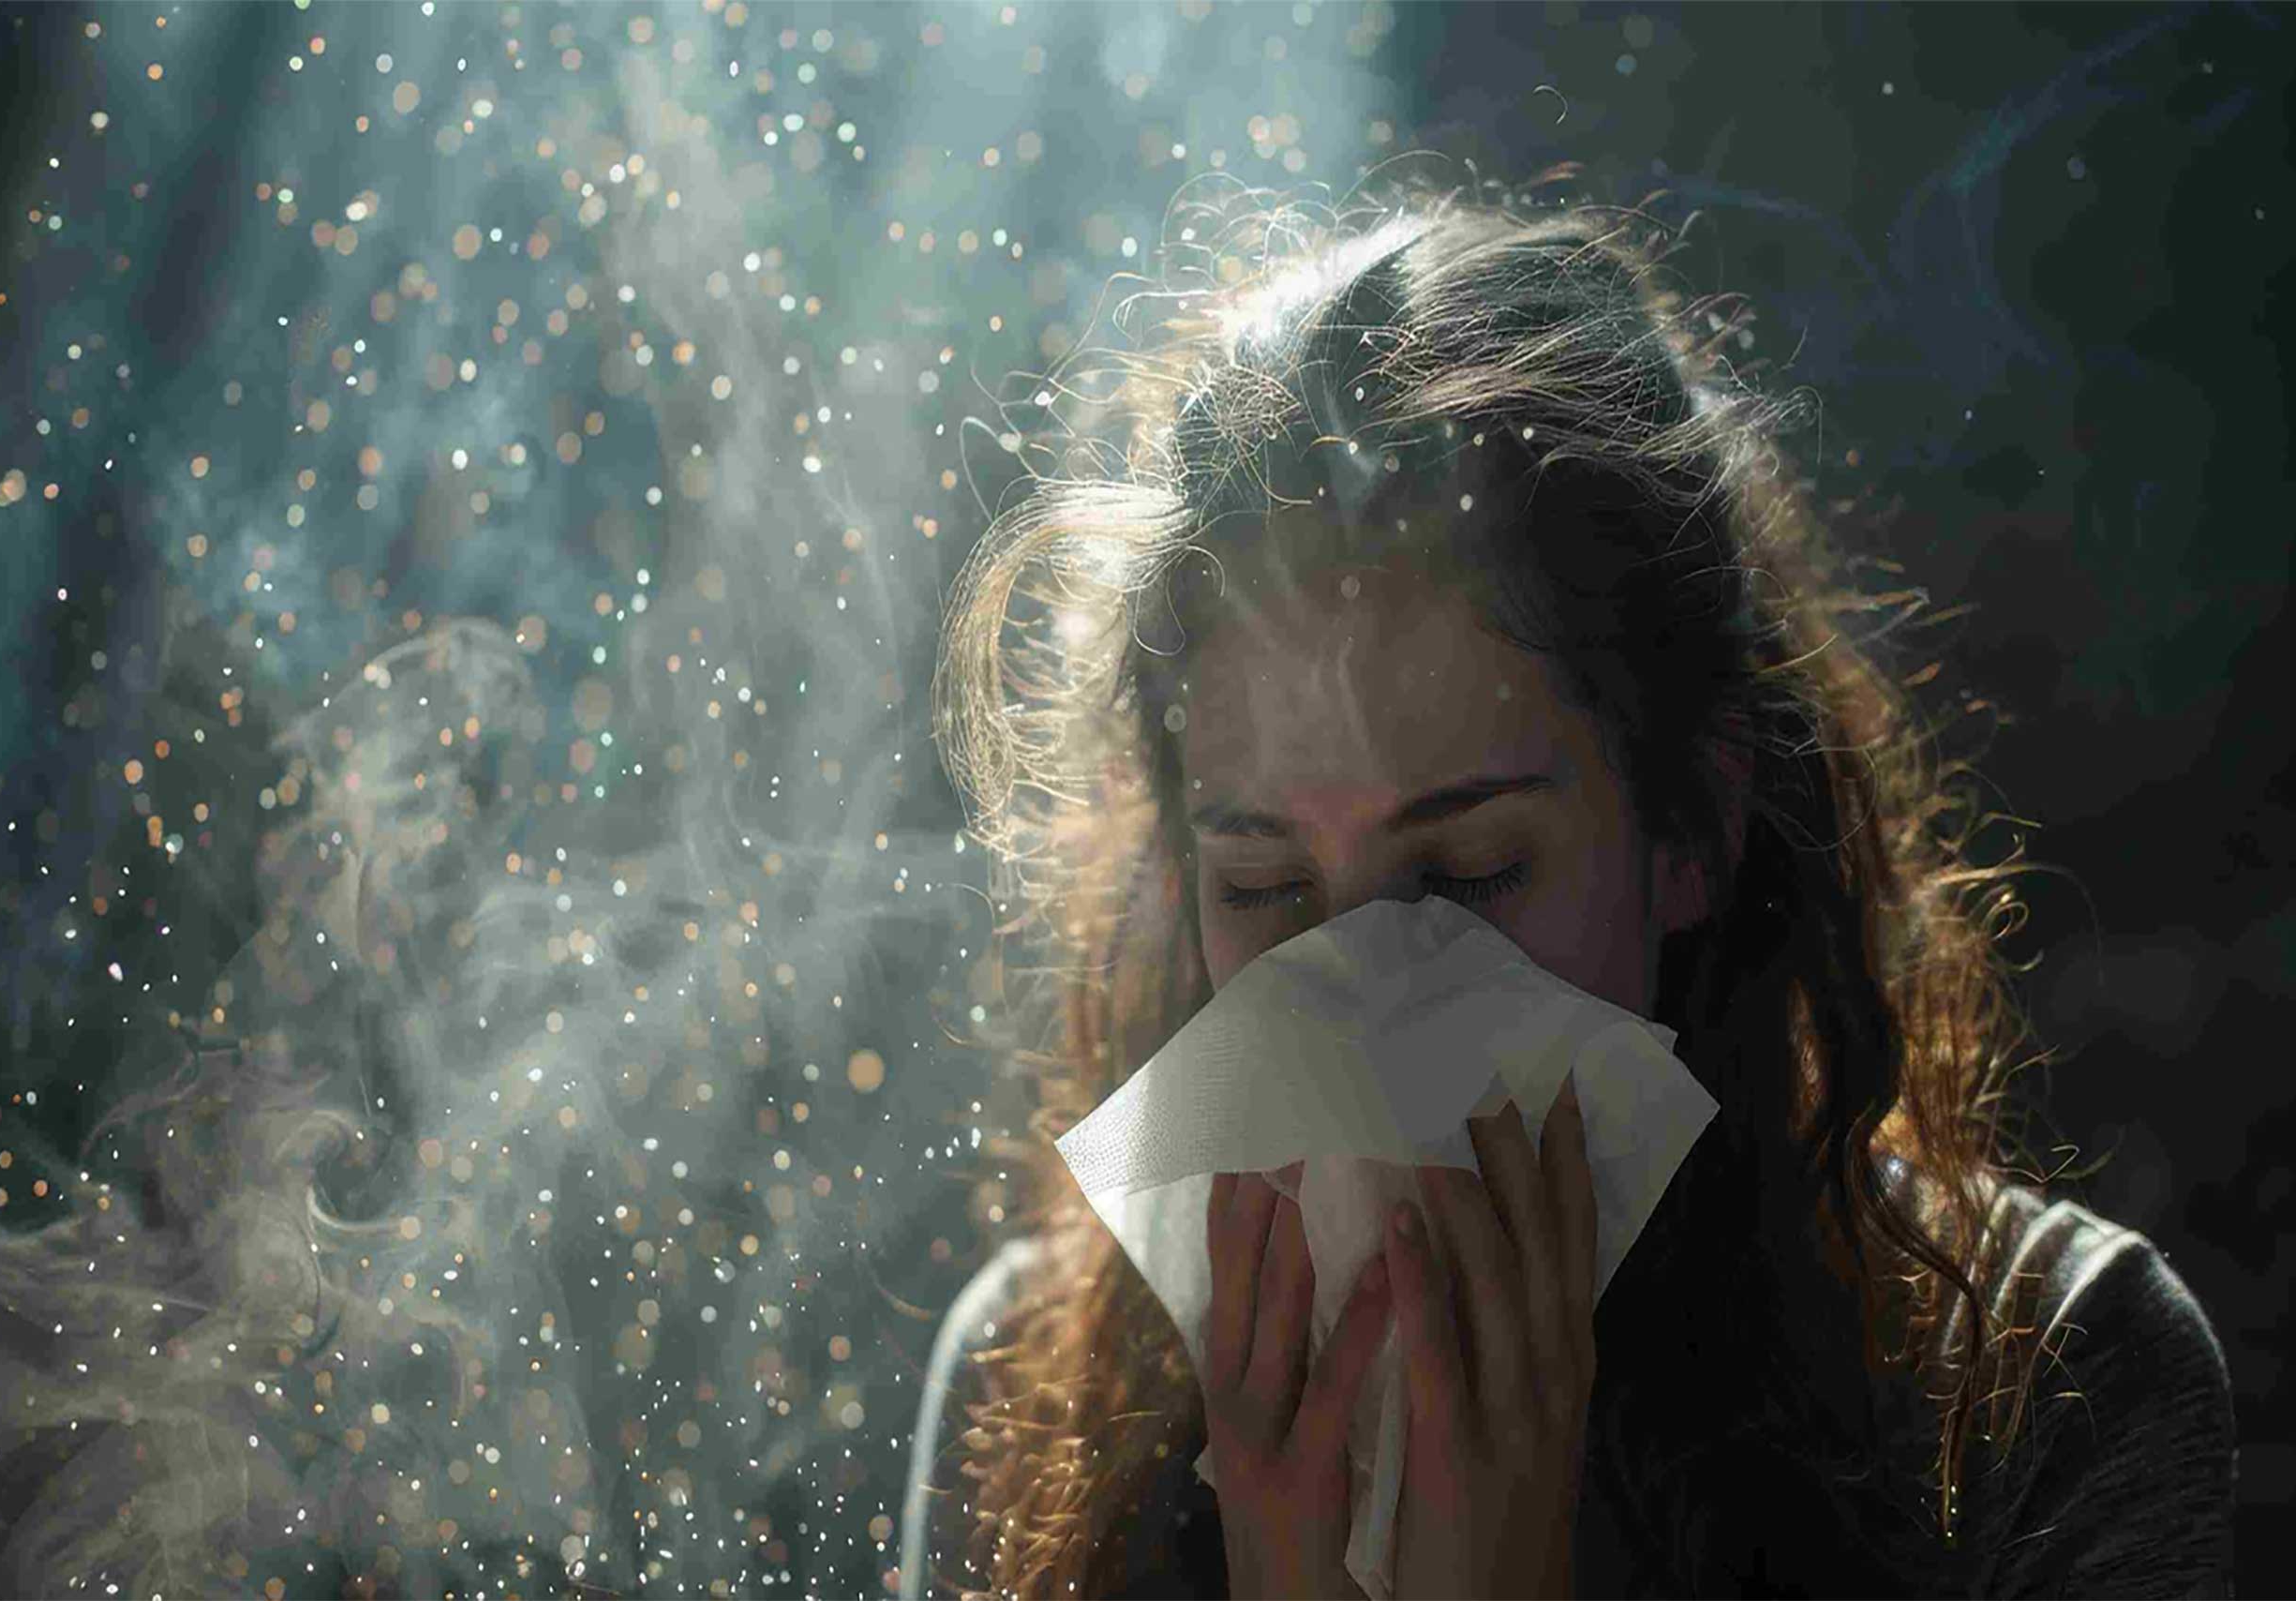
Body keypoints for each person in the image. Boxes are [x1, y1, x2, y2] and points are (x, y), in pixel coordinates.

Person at [902, 178, 2236, 1598]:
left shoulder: (2041, 1379)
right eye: (1266, 886)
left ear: (1693, 824)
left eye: (1468, 877)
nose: (1359, 1022)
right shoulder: (1035, 1392)